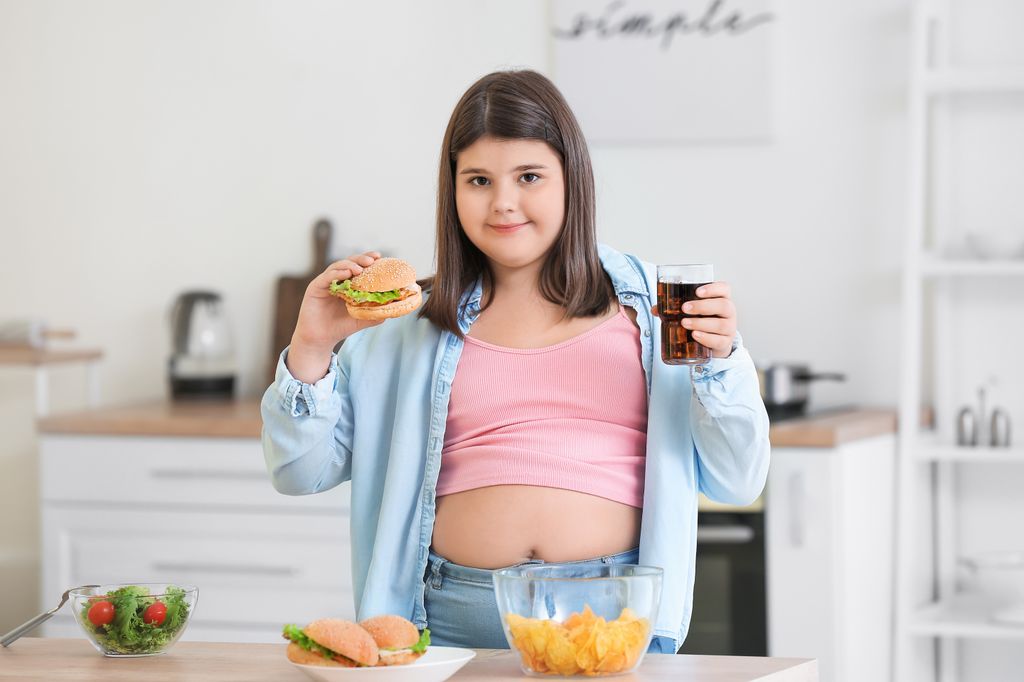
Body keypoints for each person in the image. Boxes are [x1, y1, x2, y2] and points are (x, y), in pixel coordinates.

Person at [261, 69, 770, 654]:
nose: (503, 202)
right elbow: (299, 473)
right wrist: (312, 346)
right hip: (450, 620)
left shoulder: (664, 311)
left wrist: (720, 362)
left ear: (572, 179)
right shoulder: (403, 324)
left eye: (529, 176)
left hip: (613, 621)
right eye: (478, 180)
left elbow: (738, 479)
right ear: (452, 190)